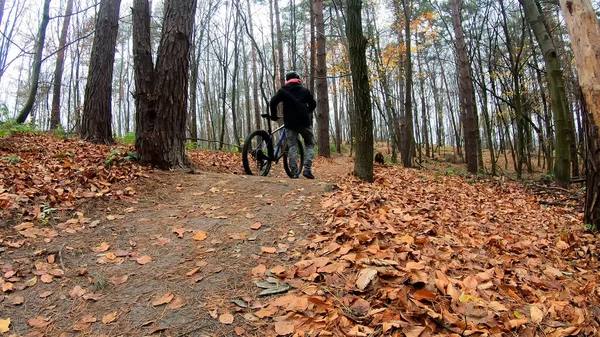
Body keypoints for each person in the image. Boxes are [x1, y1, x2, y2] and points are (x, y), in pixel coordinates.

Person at [269, 71, 317, 179]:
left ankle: (295, 173)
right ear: (298, 79)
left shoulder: (283, 91)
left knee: (292, 146)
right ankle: (307, 169)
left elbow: (273, 102)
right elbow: (313, 104)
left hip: (290, 123)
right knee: (309, 143)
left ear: (287, 80)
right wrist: (306, 111)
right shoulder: (305, 91)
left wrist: (274, 116)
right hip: (304, 122)